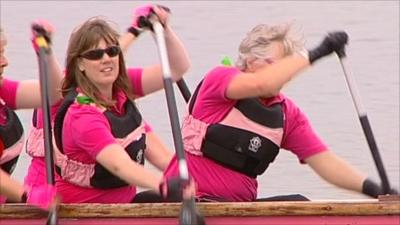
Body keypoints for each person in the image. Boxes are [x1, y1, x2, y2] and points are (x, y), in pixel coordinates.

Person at [163, 23, 396, 202]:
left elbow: (325, 162)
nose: (287, 74)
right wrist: (318, 52)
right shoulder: (221, 79)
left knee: (301, 204)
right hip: (186, 202)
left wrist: (375, 189)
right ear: (250, 61)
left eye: (288, 66)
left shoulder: (287, 114)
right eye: (278, 65)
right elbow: (261, 85)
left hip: (237, 209)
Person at [53, 5, 191, 203]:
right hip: (87, 213)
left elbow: (177, 68)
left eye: (112, 51)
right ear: (80, 64)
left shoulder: (122, 94)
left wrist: (164, 30)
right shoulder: (81, 115)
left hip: (122, 205)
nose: (106, 59)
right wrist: (164, 184)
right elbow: (119, 165)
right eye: (95, 54)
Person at [0, 23, 60, 209]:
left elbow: (53, 94)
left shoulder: (3, 91)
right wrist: (27, 194)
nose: (5, 61)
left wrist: (45, 54)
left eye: (3, 51)